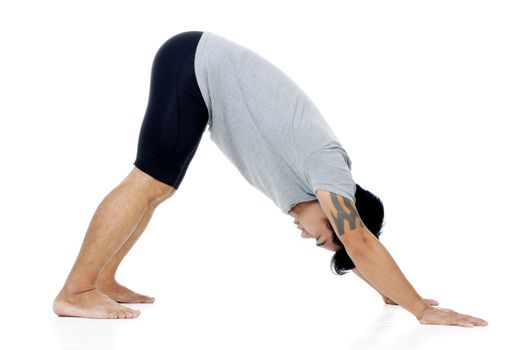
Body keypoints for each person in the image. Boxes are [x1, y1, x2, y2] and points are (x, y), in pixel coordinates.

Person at [53, 31, 488, 327]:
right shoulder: (329, 166)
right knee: (150, 180)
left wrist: (388, 293)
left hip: (196, 71)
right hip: (194, 63)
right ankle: (77, 290)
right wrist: (420, 310)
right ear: (340, 209)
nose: (306, 237)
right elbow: (358, 240)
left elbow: (354, 246)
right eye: (320, 237)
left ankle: (103, 279)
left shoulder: (304, 188)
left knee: (159, 187)